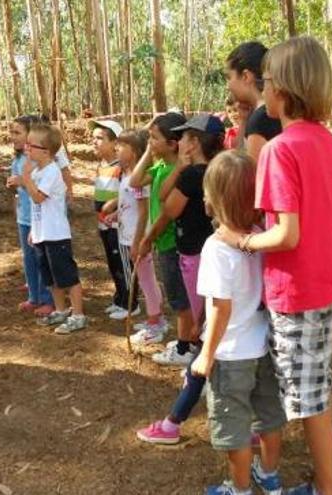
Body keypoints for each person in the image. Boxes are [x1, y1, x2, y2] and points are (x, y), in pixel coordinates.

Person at [217, 37, 332, 495]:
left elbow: (287, 235)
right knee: (318, 388)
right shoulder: (327, 142)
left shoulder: (279, 149)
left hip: (298, 290)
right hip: (329, 280)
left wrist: (242, 239)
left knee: (308, 400)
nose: (263, 89)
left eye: (268, 80)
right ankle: (326, 484)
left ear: (283, 89)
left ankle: (327, 488)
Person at [192, 150, 286, 495]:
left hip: (231, 353)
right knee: (269, 415)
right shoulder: (261, 234)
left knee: (235, 426)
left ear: (212, 199)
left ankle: (240, 488)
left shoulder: (215, 247)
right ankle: (270, 473)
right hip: (264, 344)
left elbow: (220, 308)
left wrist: (206, 353)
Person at [135, 114, 224, 445]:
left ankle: (178, 414)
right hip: (202, 255)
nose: (181, 141)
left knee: (203, 328)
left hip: (196, 258)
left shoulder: (193, 176)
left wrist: (182, 167)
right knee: (204, 325)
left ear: (194, 143)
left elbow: (165, 205)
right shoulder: (217, 170)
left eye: (186, 137)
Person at [129, 113, 198, 367]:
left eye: (154, 138)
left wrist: (148, 238)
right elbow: (134, 181)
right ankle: (186, 342)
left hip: (170, 244)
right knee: (179, 297)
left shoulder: (178, 171)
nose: (150, 142)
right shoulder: (159, 167)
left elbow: (167, 210)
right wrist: (148, 151)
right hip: (161, 243)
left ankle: (185, 347)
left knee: (181, 300)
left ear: (172, 144)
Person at [20, 123, 87, 335]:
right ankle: (60, 310)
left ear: (46, 151)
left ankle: (78, 315)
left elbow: (38, 197)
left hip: (57, 235)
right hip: (42, 234)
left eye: (31, 145)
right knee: (50, 278)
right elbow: (35, 206)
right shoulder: (39, 171)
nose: (27, 148)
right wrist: (34, 230)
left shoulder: (51, 172)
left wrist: (26, 178)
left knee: (67, 276)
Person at [106, 130, 168, 338]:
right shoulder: (126, 175)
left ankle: (155, 322)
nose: (116, 149)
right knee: (145, 277)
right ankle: (156, 317)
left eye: (121, 146)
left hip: (137, 236)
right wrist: (116, 214)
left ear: (134, 153)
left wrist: (138, 241)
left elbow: (143, 212)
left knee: (147, 279)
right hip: (130, 233)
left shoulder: (138, 178)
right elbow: (129, 204)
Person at [7, 115, 54, 316]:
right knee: (29, 259)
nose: (12, 136)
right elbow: (18, 189)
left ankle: (48, 299)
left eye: (17, 132)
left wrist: (22, 180)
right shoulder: (17, 159)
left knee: (41, 258)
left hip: (40, 218)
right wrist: (13, 185)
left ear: (30, 135)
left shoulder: (37, 160)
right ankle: (33, 297)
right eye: (11, 132)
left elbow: (40, 189)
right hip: (23, 217)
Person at [90, 120, 134, 320]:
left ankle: (130, 303)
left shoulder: (121, 167)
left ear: (114, 142)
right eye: (94, 138)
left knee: (123, 263)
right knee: (112, 263)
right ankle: (119, 297)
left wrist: (114, 205)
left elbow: (128, 192)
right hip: (104, 224)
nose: (95, 142)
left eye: (100, 138)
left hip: (118, 225)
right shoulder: (101, 166)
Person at [224, 41, 282, 161]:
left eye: (229, 77)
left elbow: (248, 174)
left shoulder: (260, 119)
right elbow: (239, 156)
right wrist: (244, 121)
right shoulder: (259, 115)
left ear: (246, 76)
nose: (227, 86)